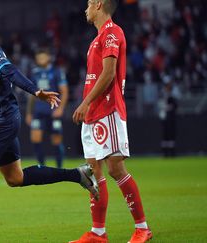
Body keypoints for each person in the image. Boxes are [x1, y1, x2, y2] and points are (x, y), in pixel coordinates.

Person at [0, 2, 99, 243]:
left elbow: (10, 71)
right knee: (15, 179)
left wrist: (36, 92)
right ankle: (77, 175)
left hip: (1, 123)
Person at [70, 1, 152, 242]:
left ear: (98, 4)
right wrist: (87, 106)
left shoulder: (113, 32)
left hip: (108, 109)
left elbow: (108, 73)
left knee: (116, 169)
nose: (85, 8)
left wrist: (84, 103)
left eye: (88, 3)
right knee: (93, 174)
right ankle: (98, 232)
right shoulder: (96, 40)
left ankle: (142, 228)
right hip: (92, 115)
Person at [25, 48, 69, 168]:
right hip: (39, 112)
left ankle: (59, 167)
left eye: (43, 57)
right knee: (35, 139)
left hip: (53, 111)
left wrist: (60, 109)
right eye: (39, 58)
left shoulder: (57, 72)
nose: (41, 60)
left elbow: (64, 92)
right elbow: (32, 95)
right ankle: (42, 167)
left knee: (56, 140)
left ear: (49, 58)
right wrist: (29, 113)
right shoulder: (35, 73)